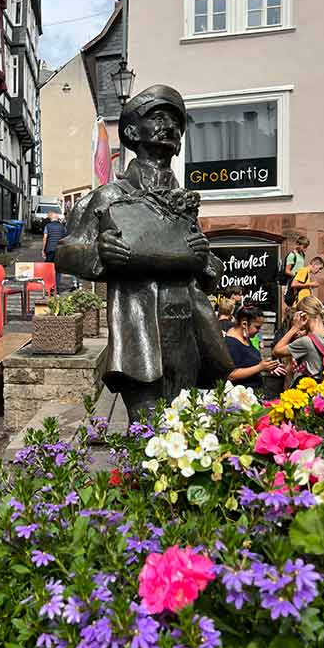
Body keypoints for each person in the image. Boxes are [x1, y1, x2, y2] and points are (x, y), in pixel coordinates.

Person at [55, 84, 233, 420]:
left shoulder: (184, 201)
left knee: (185, 427)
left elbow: (208, 272)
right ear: (133, 132)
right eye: (159, 117)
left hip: (188, 334)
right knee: (149, 432)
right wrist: (99, 251)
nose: (170, 126)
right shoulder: (109, 196)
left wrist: (204, 258)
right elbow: (65, 252)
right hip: (140, 334)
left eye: (177, 122)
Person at [273, 296, 324, 381]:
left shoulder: (306, 341)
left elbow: (276, 351)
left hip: (311, 389)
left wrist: (295, 327)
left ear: (304, 316)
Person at [225, 306, 282, 389]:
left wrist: (269, 366)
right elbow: (231, 375)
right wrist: (260, 367)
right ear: (244, 324)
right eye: (257, 327)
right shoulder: (231, 343)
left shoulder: (246, 337)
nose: (259, 331)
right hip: (241, 395)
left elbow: (250, 362)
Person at [43, 212, 67, 293]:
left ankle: (48, 288)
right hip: (59, 251)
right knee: (58, 270)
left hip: (49, 250)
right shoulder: (62, 227)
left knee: (48, 269)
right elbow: (65, 239)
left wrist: (43, 250)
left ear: (51, 219)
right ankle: (56, 288)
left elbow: (45, 238)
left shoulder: (48, 226)